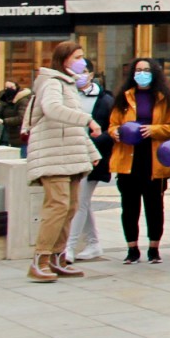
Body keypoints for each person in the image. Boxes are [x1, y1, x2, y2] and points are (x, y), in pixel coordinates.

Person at [21, 41, 102, 283]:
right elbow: (53, 109)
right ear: (64, 59)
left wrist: (92, 151)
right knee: (57, 206)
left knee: (70, 207)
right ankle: (40, 259)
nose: (81, 61)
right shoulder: (52, 82)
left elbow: (72, 128)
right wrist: (88, 119)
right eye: (77, 56)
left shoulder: (67, 84)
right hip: (53, 155)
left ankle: (57, 258)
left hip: (70, 155)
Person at [109, 57, 170, 263]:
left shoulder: (164, 98)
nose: (142, 73)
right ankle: (132, 249)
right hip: (128, 158)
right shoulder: (124, 97)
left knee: (154, 205)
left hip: (154, 159)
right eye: (138, 69)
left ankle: (154, 248)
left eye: (146, 69)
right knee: (129, 206)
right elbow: (112, 124)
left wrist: (154, 130)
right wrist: (116, 132)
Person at [64, 63, 114, 266]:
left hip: (93, 158)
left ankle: (69, 247)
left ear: (91, 74)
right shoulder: (67, 96)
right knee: (82, 202)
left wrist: (92, 145)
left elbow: (109, 131)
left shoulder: (105, 100)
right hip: (71, 155)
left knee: (79, 201)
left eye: (82, 72)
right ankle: (93, 243)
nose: (78, 76)